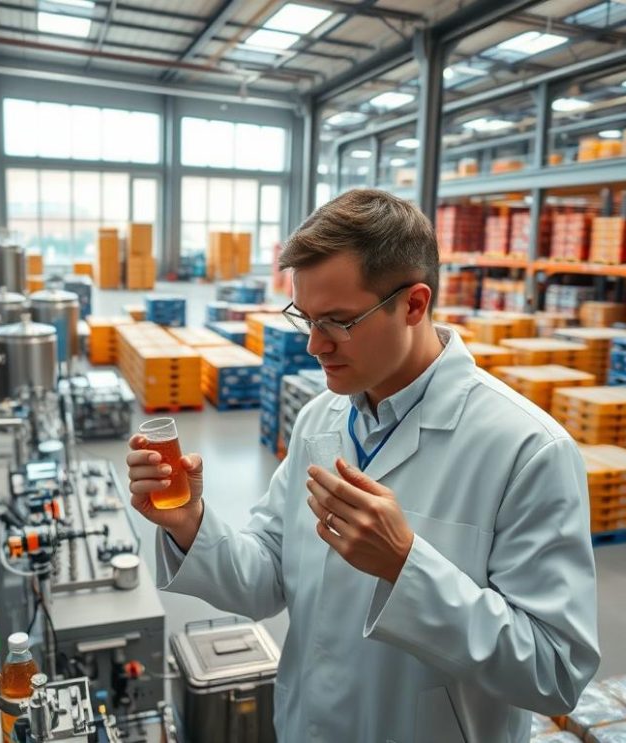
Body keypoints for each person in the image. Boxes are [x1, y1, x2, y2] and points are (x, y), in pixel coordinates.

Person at [126, 189, 599, 741]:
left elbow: (555, 673)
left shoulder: (526, 450)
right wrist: (190, 523)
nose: (313, 346)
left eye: (338, 321)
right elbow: (266, 578)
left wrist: (406, 567)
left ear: (414, 304)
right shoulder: (320, 421)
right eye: (305, 318)